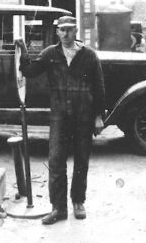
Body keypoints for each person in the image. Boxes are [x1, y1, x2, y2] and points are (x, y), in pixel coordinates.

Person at [15, 15, 105, 225]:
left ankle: (78, 202)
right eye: (62, 30)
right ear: (57, 32)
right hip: (60, 116)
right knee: (56, 161)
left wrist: (99, 116)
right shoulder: (50, 54)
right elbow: (29, 70)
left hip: (84, 115)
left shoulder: (89, 55)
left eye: (70, 30)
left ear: (76, 31)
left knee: (81, 160)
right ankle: (58, 208)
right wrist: (22, 50)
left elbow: (99, 87)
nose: (66, 34)